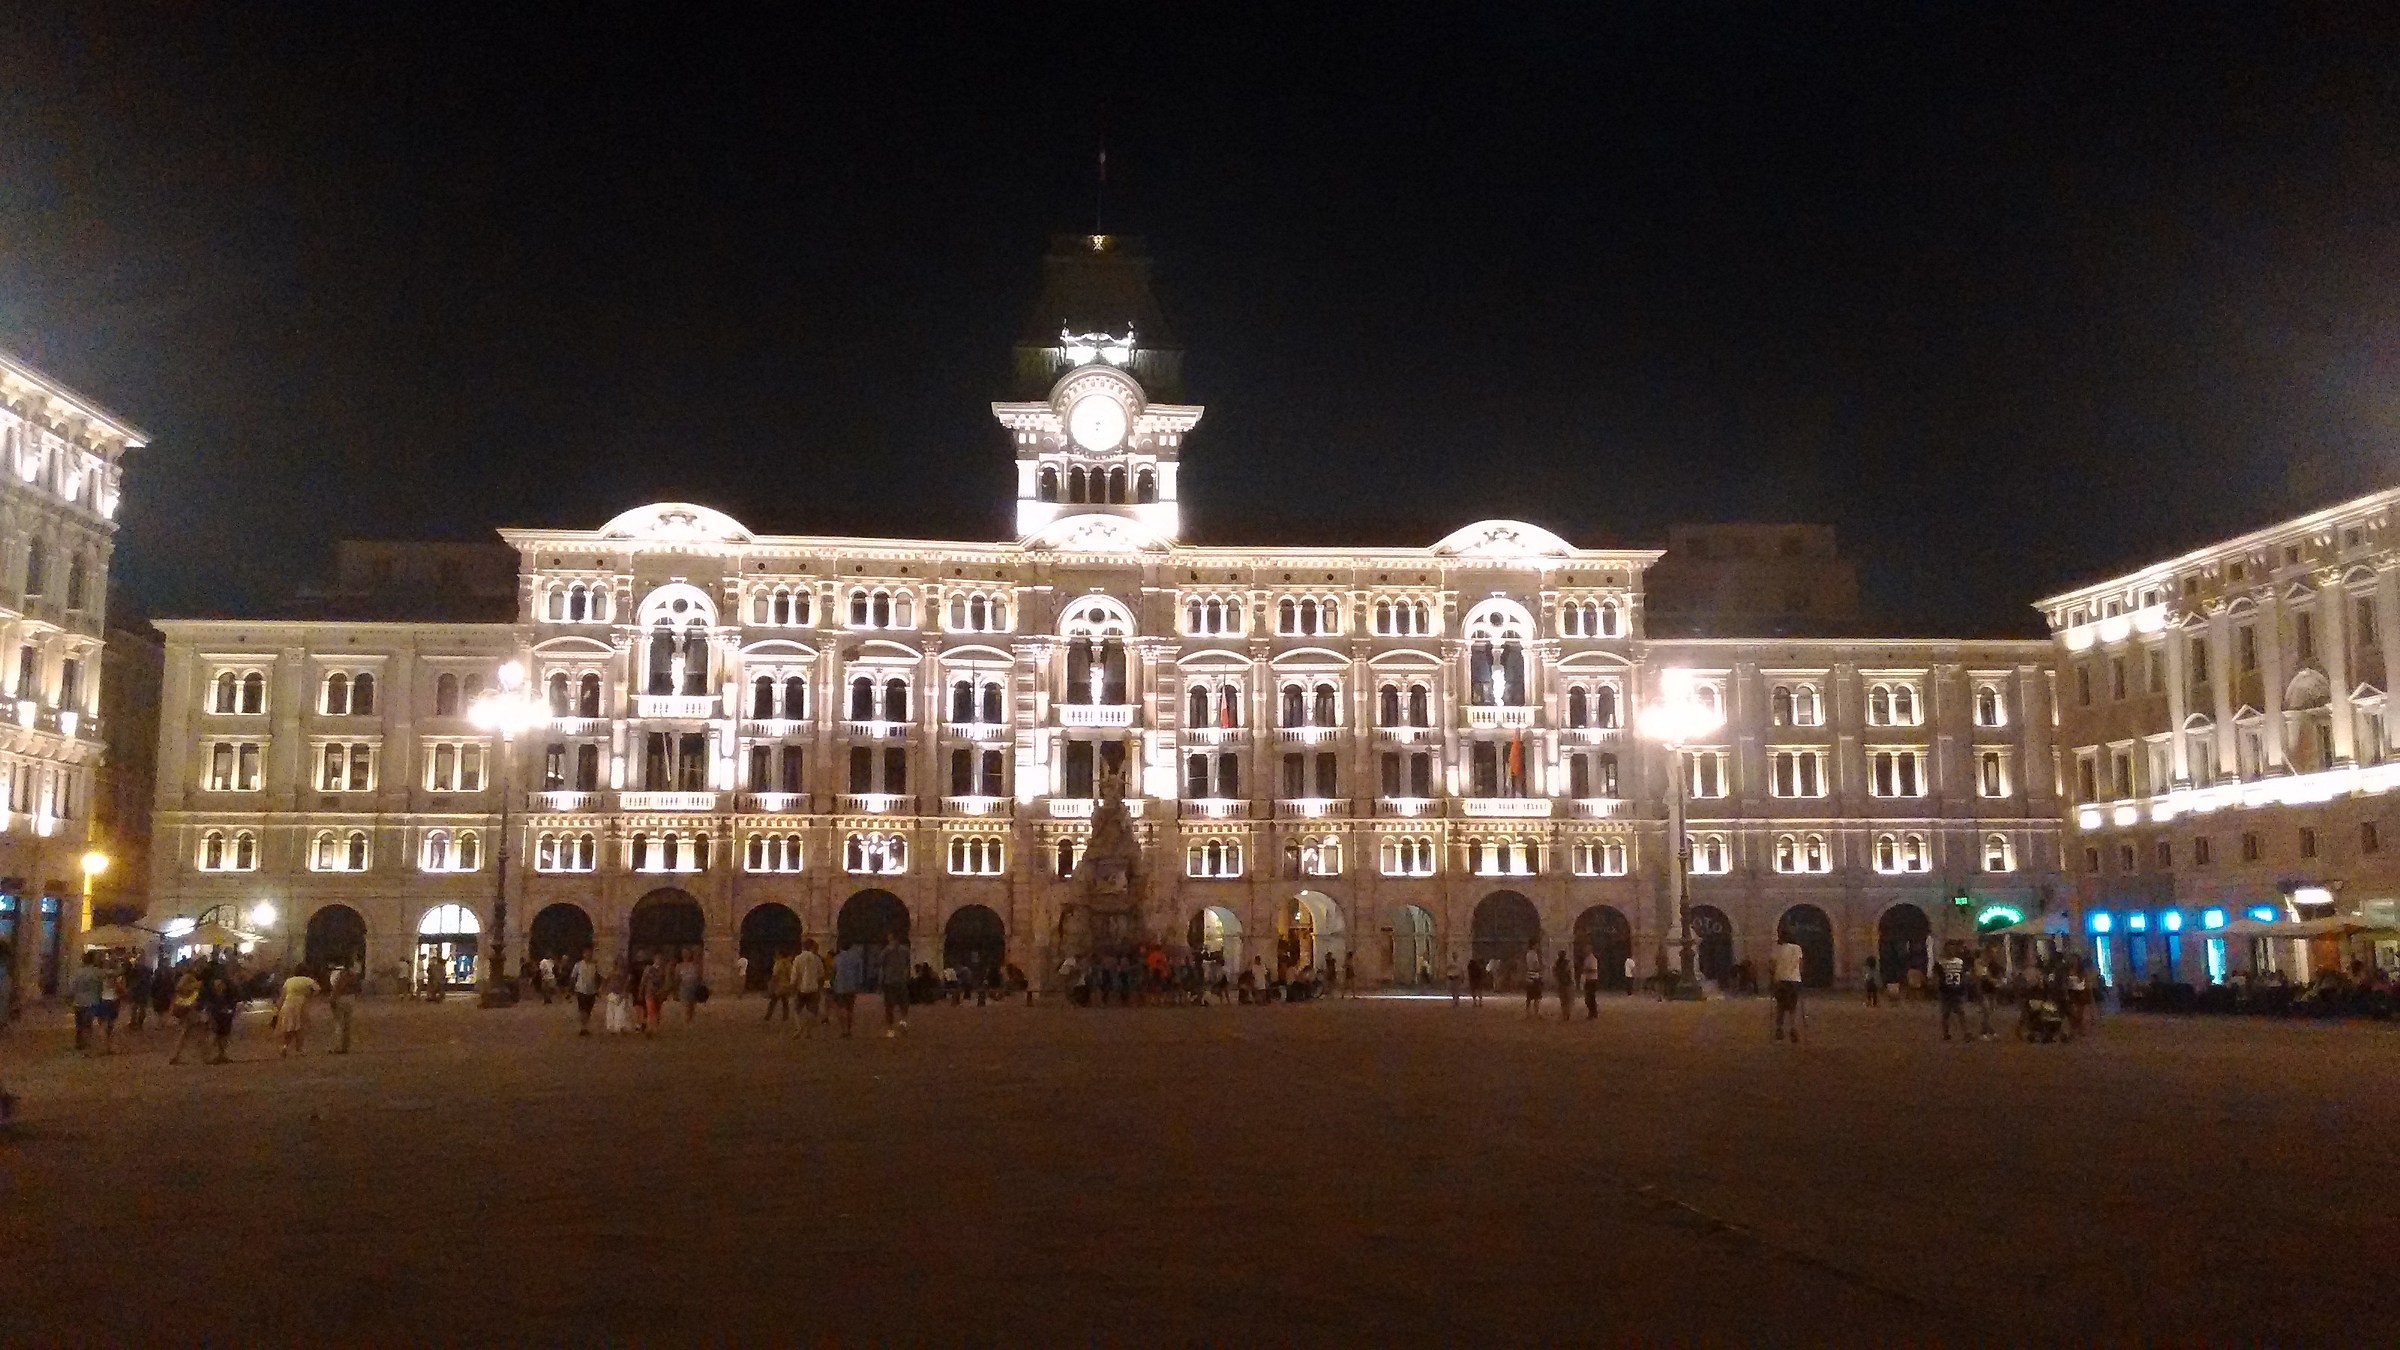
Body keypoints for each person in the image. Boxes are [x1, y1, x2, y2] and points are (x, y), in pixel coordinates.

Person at [276, 967, 321, 1057]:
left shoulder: (289, 981)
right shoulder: (308, 980)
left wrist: (279, 1007)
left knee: (288, 1026)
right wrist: (309, 996)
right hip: (301, 1004)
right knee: (300, 1027)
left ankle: (285, 1046)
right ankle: (299, 1049)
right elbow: (318, 990)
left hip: (288, 1004)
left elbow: (283, 995)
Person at [68, 951, 106, 1055]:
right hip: (91, 1002)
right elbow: (104, 982)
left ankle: (79, 1043)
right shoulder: (96, 972)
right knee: (87, 1024)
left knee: (79, 1024)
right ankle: (87, 1044)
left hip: (78, 1002)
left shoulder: (78, 972)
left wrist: (71, 997)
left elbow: (72, 987)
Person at [1771, 937, 1805, 1043]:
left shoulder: (1777, 949)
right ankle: (1793, 1028)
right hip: (1794, 980)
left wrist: (1774, 974)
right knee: (1792, 1007)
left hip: (1780, 979)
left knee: (1780, 1006)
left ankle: (1779, 1029)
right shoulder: (1797, 948)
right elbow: (1801, 965)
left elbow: (1771, 965)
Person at [879, 934, 912, 1037]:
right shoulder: (905, 950)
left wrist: (880, 982)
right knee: (903, 1004)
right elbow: (908, 965)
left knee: (889, 1006)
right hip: (901, 980)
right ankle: (903, 1022)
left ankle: (890, 1029)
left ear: (890, 938)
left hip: (889, 981)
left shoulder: (886, 951)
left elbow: (881, 967)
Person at [792, 939, 826, 1036]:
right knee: (812, 1010)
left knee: (796, 1009)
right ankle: (808, 1031)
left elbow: (794, 974)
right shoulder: (817, 959)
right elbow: (821, 974)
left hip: (800, 988)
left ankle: (799, 1027)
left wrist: (793, 985)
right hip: (814, 988)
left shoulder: (798, 958)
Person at [1936, 947, 1971, 1041]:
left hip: (1958, 990)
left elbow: (1963, 975)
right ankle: (1946, 1033)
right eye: (1949, 949)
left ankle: (1966, 1032)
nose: (1951, 951)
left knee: (1961, 1012)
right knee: (1946, 1013)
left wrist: (1963, 986)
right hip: (1946, 991)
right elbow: (1938, 977)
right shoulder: (1940, 963)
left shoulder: (1960, 962)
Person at [831, 940, 864, 1038]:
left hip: (840, 986)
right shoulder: (856, 958)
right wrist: (858, 985)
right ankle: (849, 1029)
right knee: (850, 1008)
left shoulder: (837, 958)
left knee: (841, 1008)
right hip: (852, 987)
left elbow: (833, 972)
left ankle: (843, 1029)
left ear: (840, 947)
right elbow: (860, 973)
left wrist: (832, 985)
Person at [571, 948, 601, 1035]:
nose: (588, 955)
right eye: (586, 953)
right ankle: (583, 1027)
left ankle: (585, 1026)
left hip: (592, 990)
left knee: (588, 1010)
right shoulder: (578, 965)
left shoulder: (594, 965)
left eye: (590, 953)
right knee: (582, 1009)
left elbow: (597, 977)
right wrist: (574, 987)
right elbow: (573, 976)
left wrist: (598, 988)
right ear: (583, 954)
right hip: (581, 989)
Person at [326, 964, 355, 1054]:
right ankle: (345, 1046)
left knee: (338, 1023)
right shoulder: (353, 975)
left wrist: (332, 998)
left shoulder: (339, 974)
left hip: (340, 997)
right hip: (350, 998)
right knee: (347, 1023)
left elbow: (337, 987)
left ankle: (337, 1046)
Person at [639, 956, 668, 1035]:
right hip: (649, 993)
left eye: (661, 960)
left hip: (659, 994)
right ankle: (651, 1028)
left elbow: (665, 983)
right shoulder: (648, 969)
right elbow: (643, 981)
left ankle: (655, 1028)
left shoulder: (663, 971)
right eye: (658, 959)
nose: (660, 961)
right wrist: (641, 992)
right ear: (654, 960)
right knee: (650, 1010)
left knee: (657, 1011)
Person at [764, 951, 794, 1022]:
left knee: (773, 1001)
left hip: (779, 986)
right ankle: (785, 1017)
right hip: (786, 986)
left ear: (780, 955)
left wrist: (772, 984)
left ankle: (768, 1016)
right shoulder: (789, 963)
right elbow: (791, 975)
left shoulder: (779, 963)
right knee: (785, 1003)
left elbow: (775, 975)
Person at [676, 950, 702, 1024]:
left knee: (692, 1005)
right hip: (684, 987)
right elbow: (677, 978)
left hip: (693, 987)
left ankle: (690, 1020)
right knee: (686, 1005)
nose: (686, 955)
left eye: (687, 953)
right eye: (684, 954)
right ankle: (686, 1020)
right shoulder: (679, 966)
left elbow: (699, 976)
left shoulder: (694, 965)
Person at [1522, 943, 1545, 1018]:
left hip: (1529, 975)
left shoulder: (1528, 954)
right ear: (1533, 945)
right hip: (1535, 976)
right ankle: (1536, 1013)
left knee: (1529, 997)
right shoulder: (1534, 954)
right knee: (1537, 997)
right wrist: (1541, 968)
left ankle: (1528, 1013)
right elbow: (1536, 965)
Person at [1552, 949, 1573, 1020]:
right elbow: (1570, 972)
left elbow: (1554, 972)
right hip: (1567, 982)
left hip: (1561, 983)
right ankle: (1567, 1013)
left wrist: (1557, 979)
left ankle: (1565, 1013)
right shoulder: (1568, 963)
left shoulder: (1556, 963)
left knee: (1563, 1000)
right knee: (1568, 1000)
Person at [1580, 948, 1601, 1020]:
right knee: (1589, 997)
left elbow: (1594, 970)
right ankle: (1593, 1012)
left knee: (1590, 997)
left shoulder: (1593, 959)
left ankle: (1593, 1013)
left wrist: (1585, 970)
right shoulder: (1587, 959)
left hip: (1592, 980)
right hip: (1588, 979)